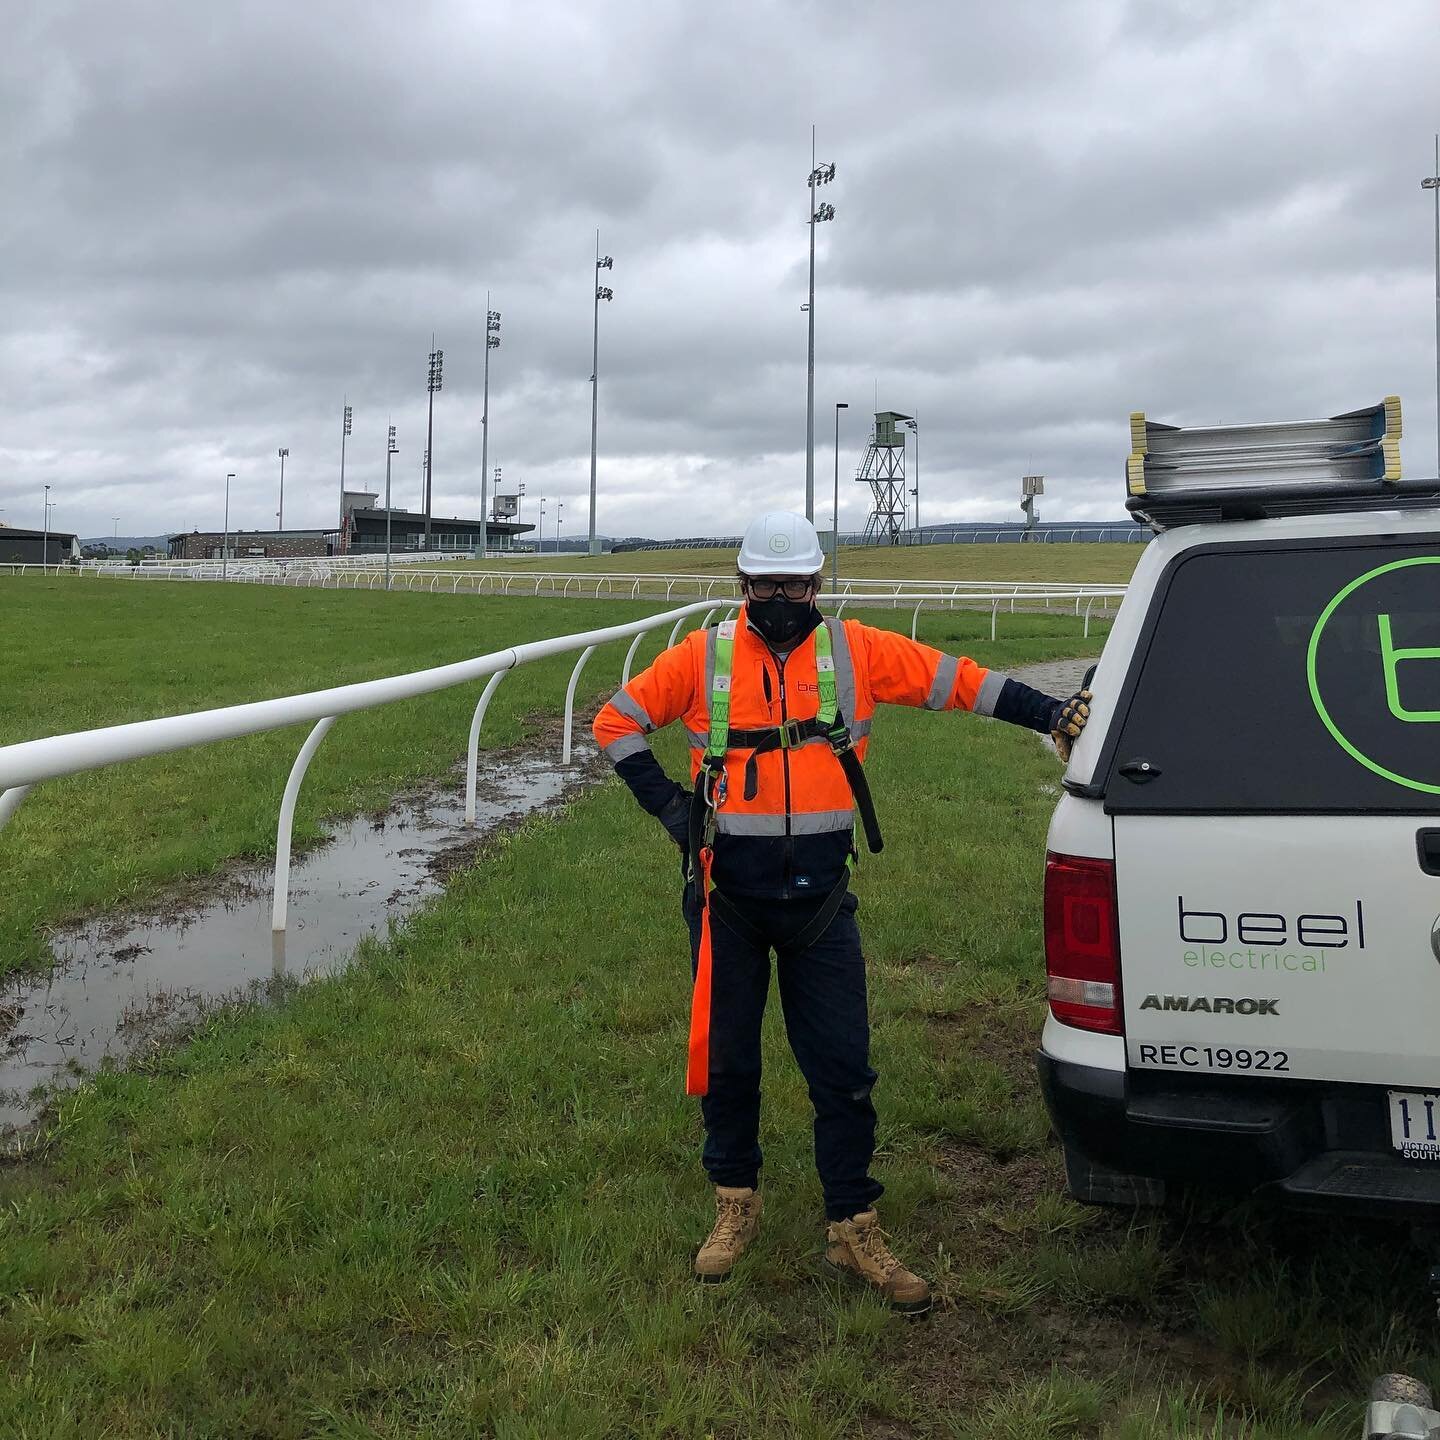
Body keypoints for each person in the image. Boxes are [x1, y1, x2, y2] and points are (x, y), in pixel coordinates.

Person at [593, 511, 1090, 1315]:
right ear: (742, 588)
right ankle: (735, 1202)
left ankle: (853, 1223)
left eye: (794, 585)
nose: (781, 598)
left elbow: (958, 680)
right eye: (766, 587)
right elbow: (614, 722)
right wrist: (672, 810)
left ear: (817, 585)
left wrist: (1051, 712)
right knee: (727, 1063)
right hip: (727, 904)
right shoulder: (704, 657)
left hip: (822, 903)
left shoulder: (855, 653)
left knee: (844, 1072)